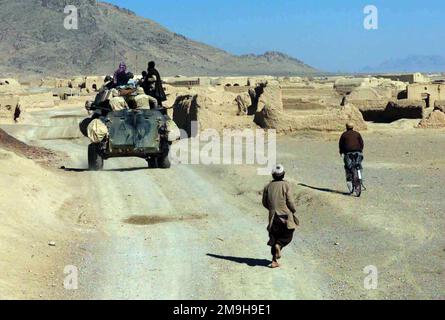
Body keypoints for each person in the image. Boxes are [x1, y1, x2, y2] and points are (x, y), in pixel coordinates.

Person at [262, 165, 299, 268]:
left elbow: (264, 202)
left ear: (273, 175)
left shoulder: (268, 186)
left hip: (273, 217)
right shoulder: (286, 185)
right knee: (288, 234)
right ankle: (280, 245)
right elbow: (290, 201)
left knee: (274, 236)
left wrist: (272, 210)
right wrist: (293, 210)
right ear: (283, 174)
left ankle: (274, 261)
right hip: (284, 216)